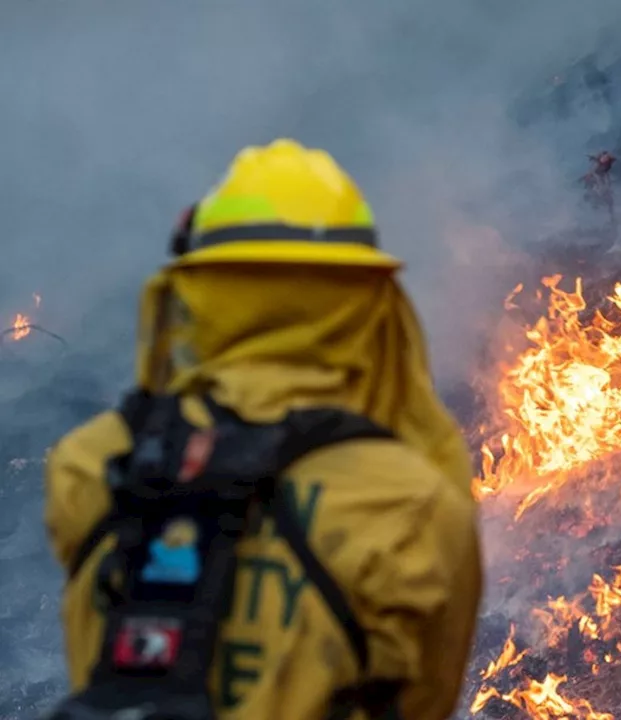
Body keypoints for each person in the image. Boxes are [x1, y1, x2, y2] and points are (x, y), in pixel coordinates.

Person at [43, 139, 481, 720]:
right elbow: (425, 701)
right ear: (366, 301)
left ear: (196, 291)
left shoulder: (89, 464)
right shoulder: (409, 505)